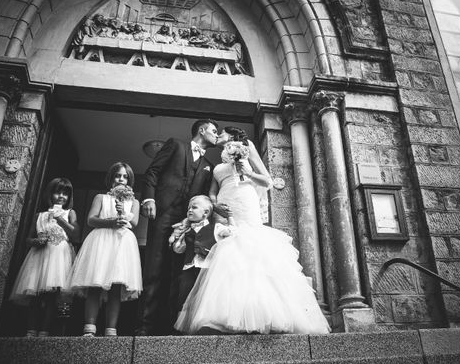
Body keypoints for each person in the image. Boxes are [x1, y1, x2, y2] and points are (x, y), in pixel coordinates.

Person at [174, 127, 330, 335]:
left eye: (221, 132)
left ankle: (262, 313)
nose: (218, 135)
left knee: (250, 246)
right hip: (225, 206)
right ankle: (227, 313)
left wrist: (246, 172)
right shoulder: (218, 164)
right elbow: (212, 192)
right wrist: (215, 204)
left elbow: (267, 181)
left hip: (245, 202)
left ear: (232, 136)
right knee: (227, 253)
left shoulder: (248, 148)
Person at [136, 119, 223, 335]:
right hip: (163, 214)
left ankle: (170, 328)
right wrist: (148, 200)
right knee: (154, 268)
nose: (216, 134)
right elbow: (153, 172)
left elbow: (202, 197)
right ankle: (144, 328)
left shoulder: (208, 166)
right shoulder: (176, 145)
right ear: (201, 130)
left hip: (186, 223)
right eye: (214, 131)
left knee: (178, 274)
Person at [68, 162, 142, 337]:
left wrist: (123, 213)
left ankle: (111, 330)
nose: (121, 179)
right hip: (101, 241)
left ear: (129, 180)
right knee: (96, 284)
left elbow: (135, 223)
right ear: (111, 178)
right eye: (118, 175)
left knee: (116, 287)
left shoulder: (134, 201)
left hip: (121, 243)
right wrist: (110, 222)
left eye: (125, 176)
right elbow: (91, 220)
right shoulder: (101, 197)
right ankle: (89, 328)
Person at [9, 178, 78, 337]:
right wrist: (36, 241)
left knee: (52, 296)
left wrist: (60, 219)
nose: (61, 196)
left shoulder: (70, 213)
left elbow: (75, 233)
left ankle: (45, 331)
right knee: (35, 295)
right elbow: (28, 239)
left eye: (65, 193)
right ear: (50, 194)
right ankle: (31, 330)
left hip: (59, 257)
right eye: (57, 192)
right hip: (39, 257)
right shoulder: (39, 215)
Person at [169, 195, 233, 315]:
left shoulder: (216, 228)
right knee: (184, 293)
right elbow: (179, 250)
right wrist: (178, 239)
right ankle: (183, 324)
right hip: (189, 267)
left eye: (194, 207)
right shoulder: (187, 231)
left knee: (204, 296)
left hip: (206, 268)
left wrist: (229, 218)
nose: (189, 210)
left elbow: (232, 233)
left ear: (206, 213)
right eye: (188, 208)